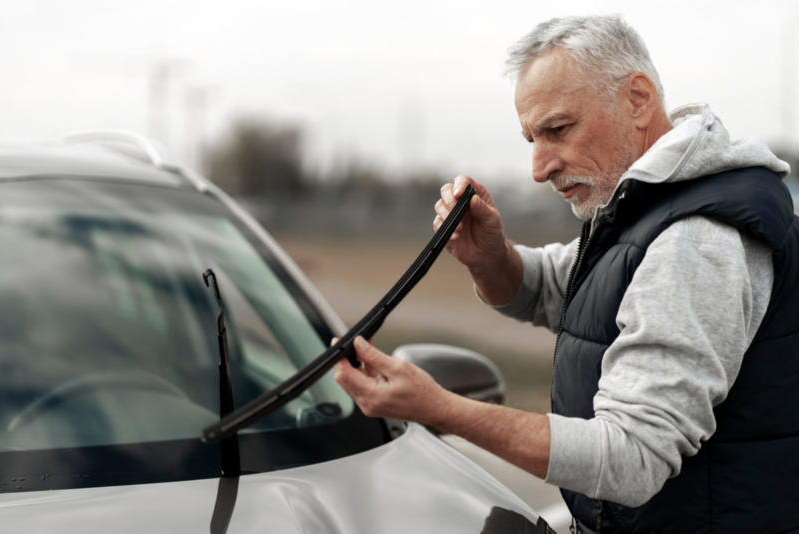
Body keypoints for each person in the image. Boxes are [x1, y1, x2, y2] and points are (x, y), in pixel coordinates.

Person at [334, 15, 799, 534]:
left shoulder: (695, 236)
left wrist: (440, 408)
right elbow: (564, 290)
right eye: (532, 138)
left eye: (557, 130)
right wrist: (491, 256)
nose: (539, 167)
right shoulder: (644, 203)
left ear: (638, 100)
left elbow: (632, 457)